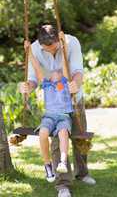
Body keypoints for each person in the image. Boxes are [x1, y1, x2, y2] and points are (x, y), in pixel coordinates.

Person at [20, 24, 96, 197]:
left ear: (58, 41)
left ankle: (82, 173)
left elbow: (76, 70)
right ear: (41, 46)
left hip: (74, 100)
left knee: (79, 138)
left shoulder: (71, 43)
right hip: (54, 110)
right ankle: (62, 184)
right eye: (49, 50)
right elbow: (34, 78)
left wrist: (75, 83)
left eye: (56, 48)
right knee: (56, 142)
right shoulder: (35, 50)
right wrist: (27, 87)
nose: (52, 52)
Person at [28, 45, 73, 182]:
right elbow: (36, 67)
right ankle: (47, 164)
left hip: (64, 117)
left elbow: (65, 64)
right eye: (54, 72)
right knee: (43, 133)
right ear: (50, 77)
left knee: (63, 132)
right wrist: (28, 51)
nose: (56, 72)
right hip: (49, 117)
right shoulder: (47, 85)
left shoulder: (64, 84)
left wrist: (63, 45)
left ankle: (63, 162)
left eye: (59, 72)